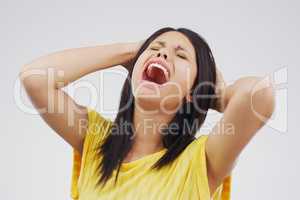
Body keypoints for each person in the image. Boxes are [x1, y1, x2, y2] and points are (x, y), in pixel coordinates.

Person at [20, 27, 275, 200]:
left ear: (192, 92)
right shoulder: (96, 141)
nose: (163, 53)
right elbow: (34, 79)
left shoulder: (200, 163)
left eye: (181, 55)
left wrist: (214, 94)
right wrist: (130, 51)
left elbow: (260, 94)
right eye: (156, 48)